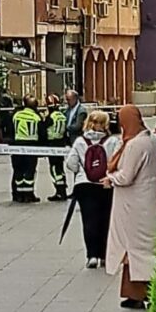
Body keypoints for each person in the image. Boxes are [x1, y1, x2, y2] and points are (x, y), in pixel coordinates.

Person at [101, 105, 156, 309]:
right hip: (149, 200)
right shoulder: (152, 140)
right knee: (146, 247)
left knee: (135, 248)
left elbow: (127, 176)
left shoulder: (136, 145)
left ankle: (146, 293)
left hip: (134, 204)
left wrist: (111, 178)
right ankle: (137, 293)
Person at [66, 110, 114, 268]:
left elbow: (71, 163)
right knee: (105, 220)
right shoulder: (112, 141)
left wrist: (81, 172)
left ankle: (92, 256)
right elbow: (117, 161)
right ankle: (104, 256)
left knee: (89, 221)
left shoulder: (80, 141)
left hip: (85, 185)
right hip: (105, 185)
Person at [10, 95, 44, 203]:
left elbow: (9, 129)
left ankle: (19, 195)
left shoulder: (16, 115)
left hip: (17, 145)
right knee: (29, 171)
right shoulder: (36, 117)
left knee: (18, 170)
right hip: (31, 146)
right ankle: (29, 195)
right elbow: (42, 133)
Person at [43, 94, 68, 201]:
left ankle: (59, 191)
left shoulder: (50, 117)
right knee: (60, 167)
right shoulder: (62, 116)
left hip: (52, 143)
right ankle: (63, 190)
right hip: (61, 144)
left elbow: (44, 129)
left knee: (54, 168)